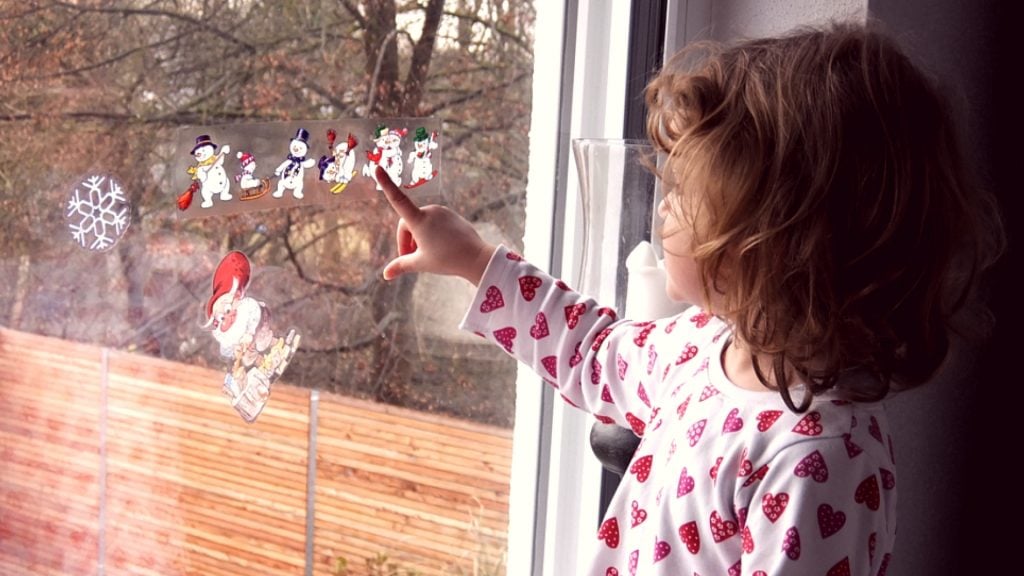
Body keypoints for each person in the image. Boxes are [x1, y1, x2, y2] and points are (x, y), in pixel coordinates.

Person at [376, 21, 1003, 575]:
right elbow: (594, 351)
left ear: (773, 240)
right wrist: (471, 259)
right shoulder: (703, 346)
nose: (662, 207)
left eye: (684, 193)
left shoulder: (817, 457)